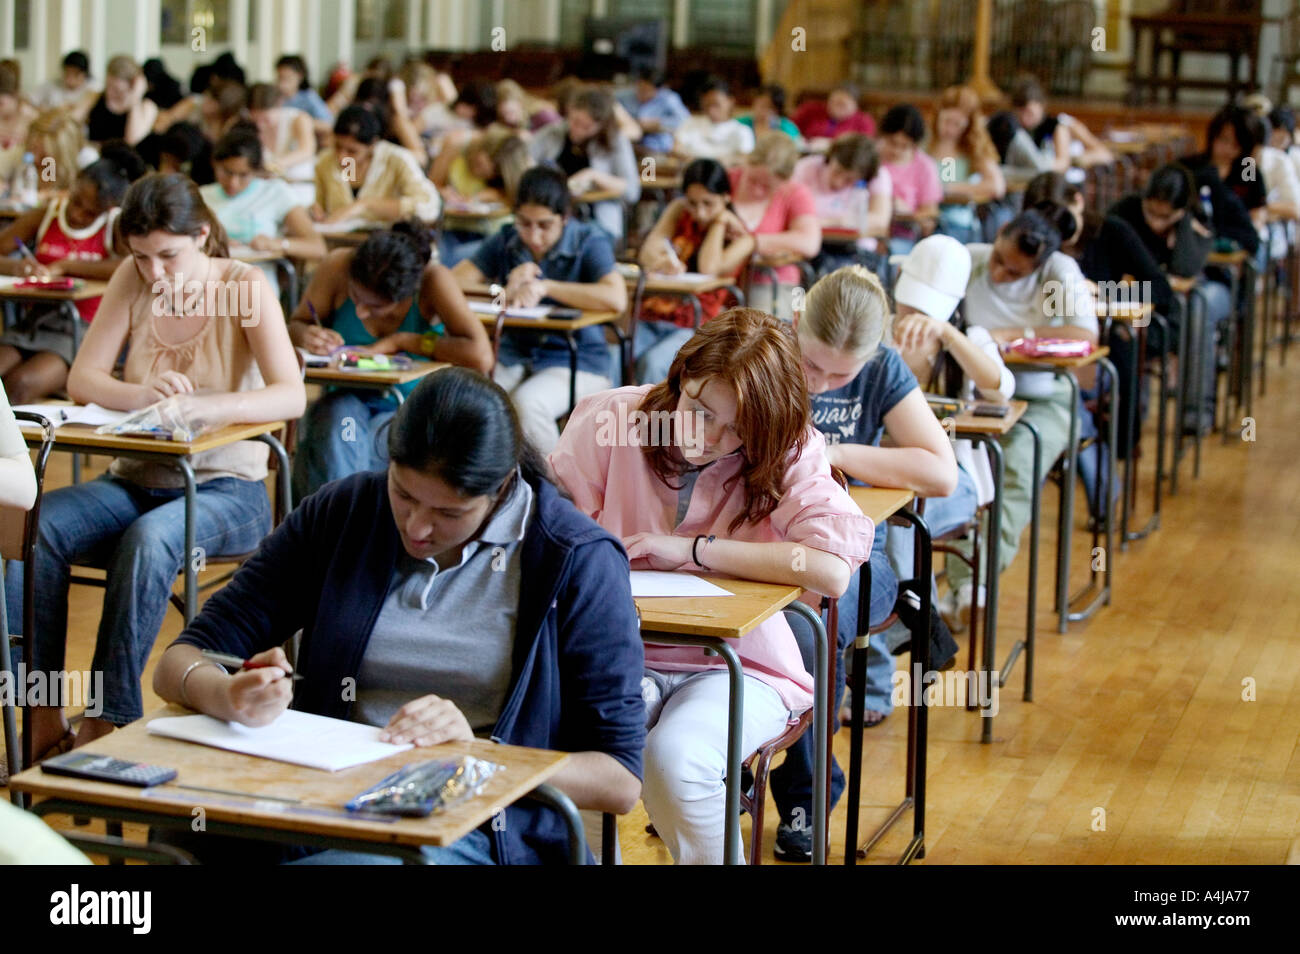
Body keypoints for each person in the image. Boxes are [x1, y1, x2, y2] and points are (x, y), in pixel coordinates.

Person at [152, 368, 644, 864]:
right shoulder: (344, 512)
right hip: (322, 797)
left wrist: (474, 755)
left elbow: (619, 778)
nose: (418, 527)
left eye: (449, 514)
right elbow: (182, 659)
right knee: (181, 833)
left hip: (477, 824)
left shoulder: (575, 557)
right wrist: (227, 696)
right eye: (404, 495)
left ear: (500, 489)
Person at [549, 307, 872, 864]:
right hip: (614, 653)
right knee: (575, 749)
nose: (707, 438)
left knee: (677, 759)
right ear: (680, 377)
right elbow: (551, 535)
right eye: (697, 411)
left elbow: (831, 569)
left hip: (737, 664)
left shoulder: (787, 445)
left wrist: (696, 551)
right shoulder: (614, 419)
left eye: (735, 430)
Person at [3, 173, 306, 759]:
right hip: (137, 478)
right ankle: (40, 714)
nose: (155, 273)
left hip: (228, 489)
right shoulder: (131, 278)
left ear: (204, 235)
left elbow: (291, 394)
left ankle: (104, 723)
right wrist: (145, 394)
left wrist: (210, 407)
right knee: (35, 523)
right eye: (142, 258)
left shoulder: (244, 284)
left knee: (147, 542)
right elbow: (82, 377)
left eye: (169, 255)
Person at [772, 264, 959, 861]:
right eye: (812, 365)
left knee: (809, 626)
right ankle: (725, 767)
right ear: (796, 324)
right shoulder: (766, 350)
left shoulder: (882, 369)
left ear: (872, 355)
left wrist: (837, 451)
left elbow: (941, 470)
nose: (823, 383)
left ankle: (806, 794)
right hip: (759, 538)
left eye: (839, 373)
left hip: (857, 556)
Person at [942, 204, 1098, 627]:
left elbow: (1085, 335)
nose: (998, 273)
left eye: (1013, 273)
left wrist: (1011, 335)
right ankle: (966, 587)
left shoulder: (1059, 271)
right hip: (981, 399)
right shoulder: (970, 259)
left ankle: (972, 585)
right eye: (998, 259)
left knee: (1014, 477)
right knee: (965, 484)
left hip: (1045, 396)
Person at [289, 222, 493, 500]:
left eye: (375, 307)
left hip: (412, 404)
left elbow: (481, 356)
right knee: (337, 424)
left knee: (370, 444)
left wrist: (404, 341)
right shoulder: (337, 265)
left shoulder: (433, 280)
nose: (361, 312)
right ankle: (341, 524)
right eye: (355, 297)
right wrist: (308, 334)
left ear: (406, 296)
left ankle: (348, 524)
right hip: (347, 397)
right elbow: (296, 324)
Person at [452, 166, 626, 453]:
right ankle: (485, 484)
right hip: (514, 353)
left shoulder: (589, 240)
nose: (533, 236)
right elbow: (453, 283)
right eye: (524, 223)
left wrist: (547, 287)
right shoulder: (508, 238)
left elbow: (616, 298)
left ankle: (555, 490)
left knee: (527, 405)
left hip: (577, 359)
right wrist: (504, 290)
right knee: (467, 397)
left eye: (545, 225)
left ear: (565, 217)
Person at [888, 236, 1015, 624]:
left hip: (952, 479)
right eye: (910, 302)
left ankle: (906, 625)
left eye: (927, 306)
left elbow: (1001, 387)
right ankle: (873, 628)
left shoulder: (968, 338)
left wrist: (946, 333)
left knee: (902, 520)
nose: (914, 313)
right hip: (887, 469)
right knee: (876, 515)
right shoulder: (881, 331)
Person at [0, 144, 147, 403]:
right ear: (73, 186)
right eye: (76, 202)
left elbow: (133, 264)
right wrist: (17, 267)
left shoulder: (113, 226)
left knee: (21, 384)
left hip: (84, 328)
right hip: (38, 318)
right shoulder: (48, 215)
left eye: (90, 213)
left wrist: (67, 265)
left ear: (109, 210)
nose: (78, 214)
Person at [1107, 163, 1233, 435]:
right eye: (1150, 212)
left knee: (1197, 310)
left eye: (1165, 217)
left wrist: (1184, 228)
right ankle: (1131, 416)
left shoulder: (1195, 219)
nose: (1155, 222)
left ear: (1181, 210)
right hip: (1133, 302)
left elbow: (1186, 268)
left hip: (1175, 306)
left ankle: (1196, 412)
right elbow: (1115, 273)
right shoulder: (1124, 212)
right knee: (1127, 331)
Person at [634, 157, 755, 383]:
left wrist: (720, 221)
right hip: (657, 313)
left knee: (653, 364)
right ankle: (612, 415)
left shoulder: (743, 239)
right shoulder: (680, 211)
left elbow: (709, 267)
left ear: (726, 198)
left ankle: (650, 418)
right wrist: (662, 262)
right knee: (617, 353)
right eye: (692, 202)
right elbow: (646, 253)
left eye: (708, 203)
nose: (699, 212)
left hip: (700, 322)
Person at [199, 125, 326, 266]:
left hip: (259, 280)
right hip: (213, 280)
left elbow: (318, 248)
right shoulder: (202, 195)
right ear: (214, 164)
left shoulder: (276, 192)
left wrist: (278, 244)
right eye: (227, 172)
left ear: (256, 171)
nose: (233, 183)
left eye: (243, 175)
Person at [529, 85, 640, 243]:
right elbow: (525, 157)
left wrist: (593, 176)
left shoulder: (616, 140)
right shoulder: (555, 132)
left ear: (600, 125)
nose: (577, 130)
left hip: (597, 218)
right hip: (552, 216)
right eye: (574, 121)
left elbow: (632, 191)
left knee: (578, 240)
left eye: (586, 127)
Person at [729, 130, 821, 318]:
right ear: (747, 163)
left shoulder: (795, 193)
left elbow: (810, 243)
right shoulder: (728, 178)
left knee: (759, 326)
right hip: (724, 278)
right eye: (752, 180)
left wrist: (752, 242)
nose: (756, 190)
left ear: (785, 181)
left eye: (767, 187)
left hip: (772, 281)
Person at [311, 105, 440, 226]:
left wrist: (365, 206)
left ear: (372, 145)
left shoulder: (397, 159)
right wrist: (315, 211)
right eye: (338, 147)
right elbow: (319, 205)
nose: (341, 157)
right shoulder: (326, 161)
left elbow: (428, 206)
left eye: (352, 151)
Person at [430, 128, 532, 265]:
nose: (489, 173)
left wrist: (492, 195)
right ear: (482, 149)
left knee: (453, 260)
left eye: (496, 171)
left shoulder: (511, 166)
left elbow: (521, 198)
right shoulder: (457, 143)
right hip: (453, 225)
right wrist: (444, 193)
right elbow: (431, 186)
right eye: (486, 164)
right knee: (438, 261)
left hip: (491, 230)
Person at [790, 132, 892, 269]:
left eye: (849, 179)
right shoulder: (805, 167)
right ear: (830, 158)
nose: (838, 182)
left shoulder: (878, 175)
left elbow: (880, 219)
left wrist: (830, 222)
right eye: (836, 171)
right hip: (813, 245)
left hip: (855, 248)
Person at [927, 85, 1007, 244]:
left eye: (956, 124)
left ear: (968, 125)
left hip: (955, 223)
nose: (949, 129)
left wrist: (951, 189)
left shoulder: (972, 148)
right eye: (946, 121)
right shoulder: (929, 144)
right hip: (926, 219)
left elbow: (997, 187)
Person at [1009, 75, 1112, 177]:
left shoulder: (1059, 126)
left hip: (1065, 182)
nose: (1025, 119)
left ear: (1041, 105)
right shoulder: (1016, 129)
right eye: (1020, 114)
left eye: (1030, 113)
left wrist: (1079, 159)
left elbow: (1103, 153)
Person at [878, 103, 943, 252]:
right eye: (892, 143)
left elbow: (929, 214)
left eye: (904, 146)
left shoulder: (925, 166)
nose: (896, 151)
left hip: (903, 235)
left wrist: (908, 212)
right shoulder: (871, 158)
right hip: (872, 230)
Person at [77, 55, 157, 147]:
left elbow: (131, 139)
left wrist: (135, 97)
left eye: (116, 90)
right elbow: (73, 120)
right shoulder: (95, 96)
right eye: (108, 86)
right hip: (94, 156)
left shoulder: (147, 107)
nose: (109, 93)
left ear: (133, 85)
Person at [246, 83, 317, 185]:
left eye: (265, 119)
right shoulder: (248, 126)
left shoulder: (298, 119)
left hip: (299, 183)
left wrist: (275, 165)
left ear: (279, 104)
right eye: (256, 119)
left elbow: (307, 150)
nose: (260, 125)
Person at [671, 77, 755, 164]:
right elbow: (676, 148)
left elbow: (745, 158)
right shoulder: (690, 123)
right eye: (707, 105)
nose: (711, 110)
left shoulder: (742, 130)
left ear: (730, 101)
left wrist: (722, 161)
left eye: (716, 104)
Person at [617, 68, 689, 154]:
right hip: (629, 143)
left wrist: (658, 123)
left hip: (656, 144)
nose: (641, 93)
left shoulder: (668, 98)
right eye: (640, 88)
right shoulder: (623, 97)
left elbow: (684, 120)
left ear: (658, 90)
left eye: (646, 90)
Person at [791, 83, 876, 142]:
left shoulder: (864, 121)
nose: (835, 108)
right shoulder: (810, 109)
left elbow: (863, 148)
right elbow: (790, 128)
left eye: (842, 104)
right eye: (833, 102)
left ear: (855, 105)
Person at [275, 54, 333, 137]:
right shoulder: (275, 97)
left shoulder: (309, 97)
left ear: (300, 77)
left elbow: (327, 125)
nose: (282, 84)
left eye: (287, 78)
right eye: (280, 78)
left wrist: (300, 123)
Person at [29, 51, 98, 113]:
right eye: (67, 73)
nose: (70, 78)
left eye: (75, 74)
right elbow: (29, 100)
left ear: (85, 74)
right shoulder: (52, 85)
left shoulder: (93, 89)